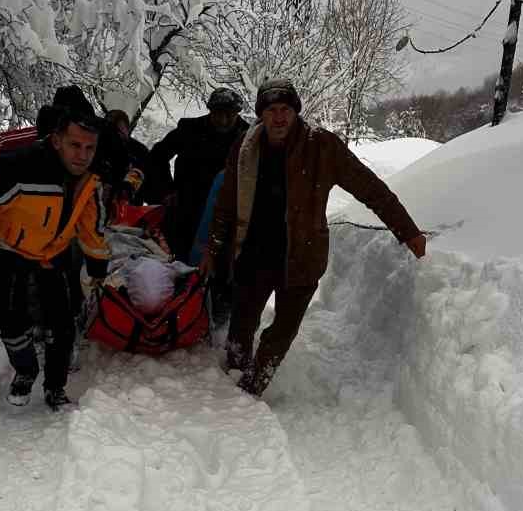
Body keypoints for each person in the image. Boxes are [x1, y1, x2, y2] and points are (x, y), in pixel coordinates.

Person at [203, 78, 426, 397]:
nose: (279, 117)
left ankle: (251, 389)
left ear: (295, 112)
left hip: (301, 258)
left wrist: (409, 232)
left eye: (285, 109)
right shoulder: (245, 147)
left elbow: (370, 189)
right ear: (261, 114)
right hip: (253, 254)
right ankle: (235, 374)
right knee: (241, 325)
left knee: (282, 332)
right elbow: (226, 202)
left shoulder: (322, 146)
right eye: (271, 110)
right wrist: (213, 249)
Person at [0, 109, 111, 410]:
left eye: (90, 148)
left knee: (62, 326)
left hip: (54, 255)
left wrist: (97, 264)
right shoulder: (18, 168)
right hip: (10, 253)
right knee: (13, 324)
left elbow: (92, 227)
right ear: (56, 141)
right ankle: (25, 371)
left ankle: (55, 388)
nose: (83, 155)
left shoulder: (90, 179)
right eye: (75, 145)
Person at [150, 87, 249, 260]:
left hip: (224, 217)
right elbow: (157, 155)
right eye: (218, 114)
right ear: (210, 110)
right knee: (178, 266)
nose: (223, 120)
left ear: (237, 114)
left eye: (229, 115)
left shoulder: (248, 138)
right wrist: (166, 190)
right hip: (185, 211)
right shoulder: (190, 129)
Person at [103, 108, 154, 203]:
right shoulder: (97, 147)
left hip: (129, 208)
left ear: (128, 129)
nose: (115, 135)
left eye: (119, 131)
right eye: (110, 130)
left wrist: (127, 188)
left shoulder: (139, 150)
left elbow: (142, 171)